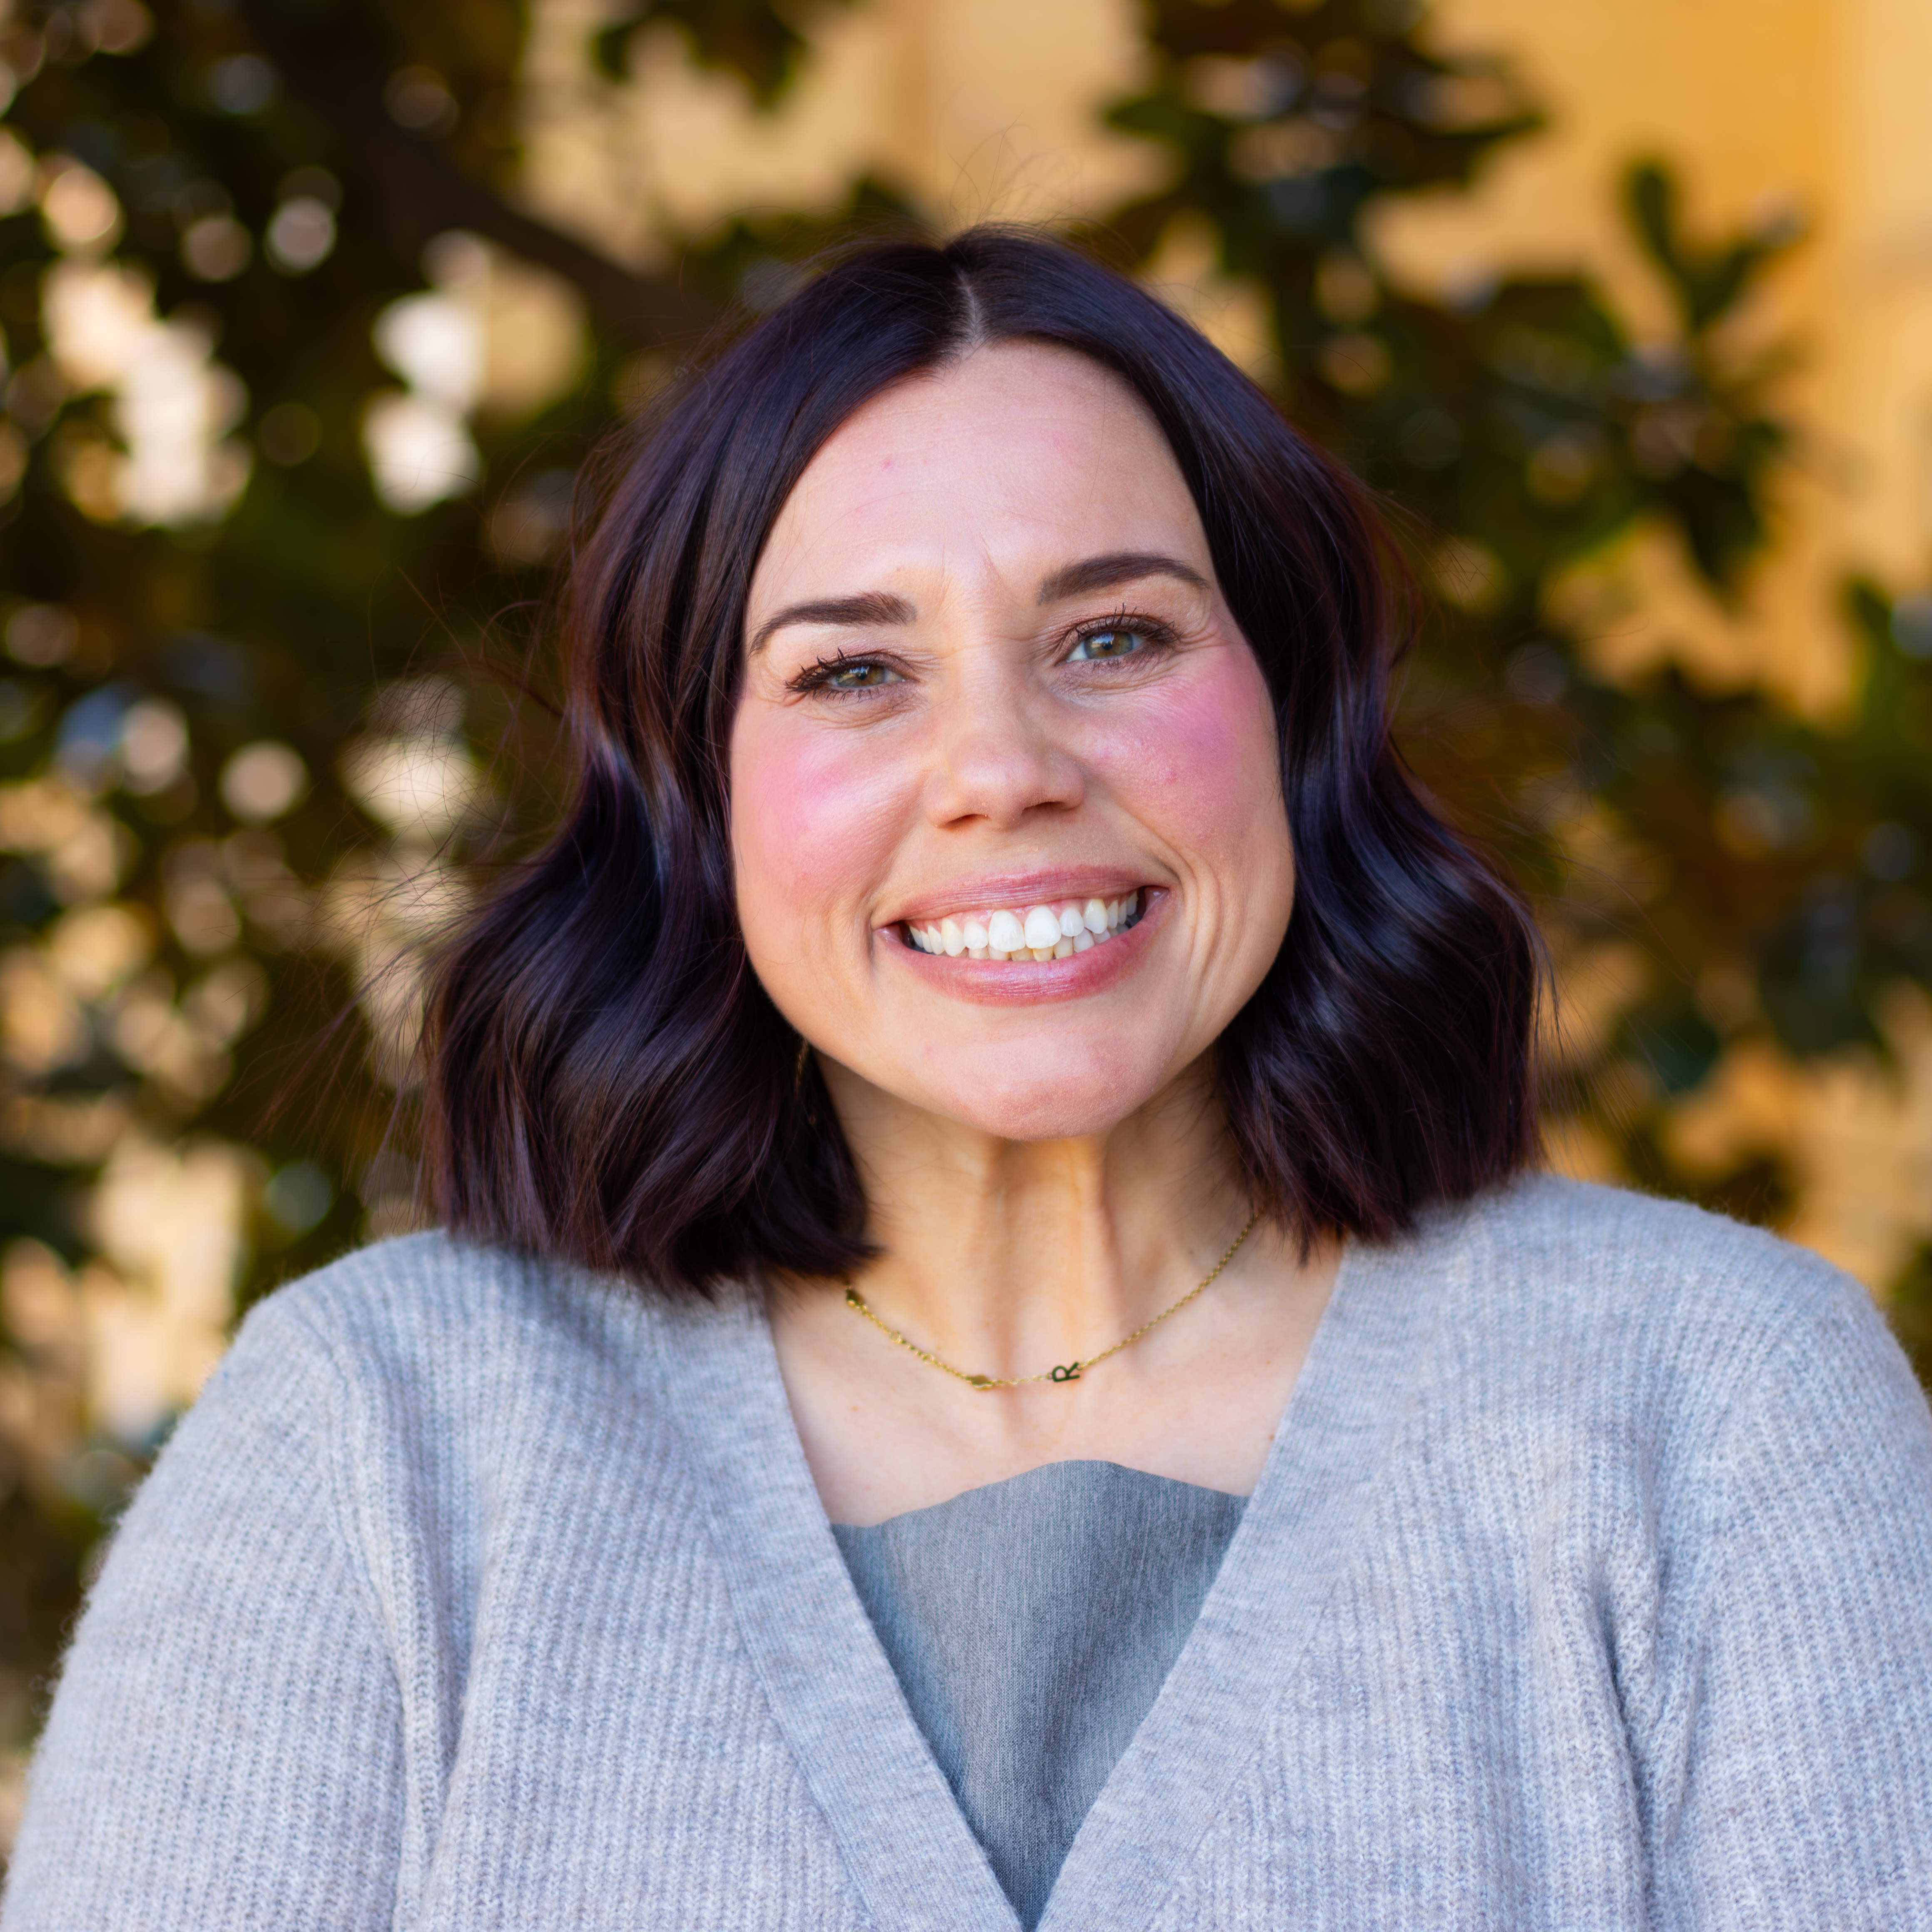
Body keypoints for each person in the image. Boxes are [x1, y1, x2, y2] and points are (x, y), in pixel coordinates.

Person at [6, 229, 1931, 1932]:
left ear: (1294, 711)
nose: (1000, 761)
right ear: (699, 796)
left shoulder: (1712, 1413)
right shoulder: (381, 1452)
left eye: (1112, 635)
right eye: (853, 672)